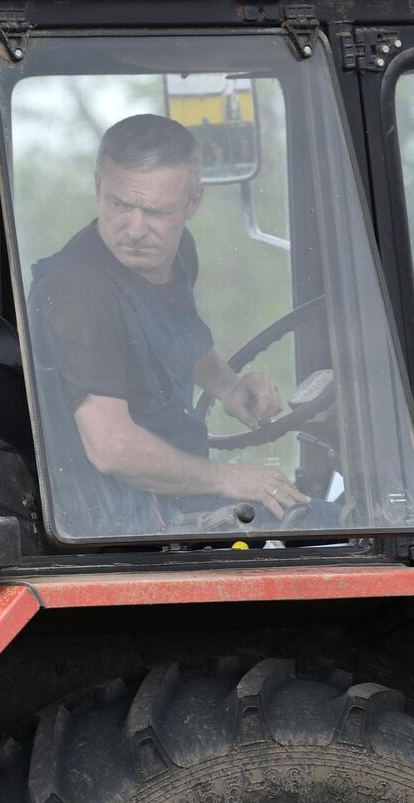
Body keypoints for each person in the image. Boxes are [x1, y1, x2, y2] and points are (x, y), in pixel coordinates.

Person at [29, 113, 308, 535]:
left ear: (192, 202)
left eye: (156, 211)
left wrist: (230, 387)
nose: (135, 230)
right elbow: (112, 448)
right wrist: (230, 477)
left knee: (322, 522)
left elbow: (170, 333)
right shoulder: (77, 292)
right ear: (98, 188)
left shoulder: (175, 251)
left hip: (175, 497)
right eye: (119, 204)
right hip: (116, 522)